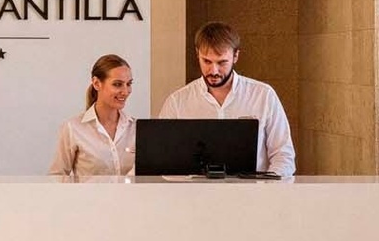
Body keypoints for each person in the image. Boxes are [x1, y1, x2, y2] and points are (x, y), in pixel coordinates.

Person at [157, 22, 296, 176]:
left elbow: (283, 155)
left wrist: (266, 185)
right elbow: (162, 157)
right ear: (197, 54)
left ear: (236, 56)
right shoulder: (177, 102)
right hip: (194, 190)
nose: (214, 71)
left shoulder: (263, 95)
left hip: (253, 190)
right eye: (207, 61)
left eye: (222, 62)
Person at [51, 55, 136, 176]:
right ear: (96, 83)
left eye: (129, 84)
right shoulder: (73, 128)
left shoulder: (136, 129)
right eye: (117, 84)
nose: (125, 91)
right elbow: (57, 177)